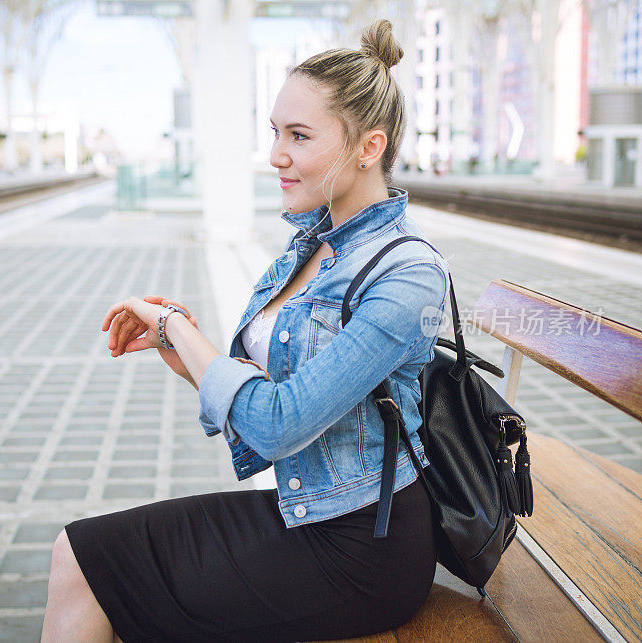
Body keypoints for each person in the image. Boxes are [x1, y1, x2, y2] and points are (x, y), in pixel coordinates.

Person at [42, 19, 449, 643]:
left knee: (88, 562)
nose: (276, 154)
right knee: (87, 559)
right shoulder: (310, 247)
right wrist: (182, 352)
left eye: (299, 135)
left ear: (369, 147)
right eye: (274, 133)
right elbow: (269, 390)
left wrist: (180, 326)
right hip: (311, 513)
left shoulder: (409, 272)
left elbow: (280, 423)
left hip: (366, 546)